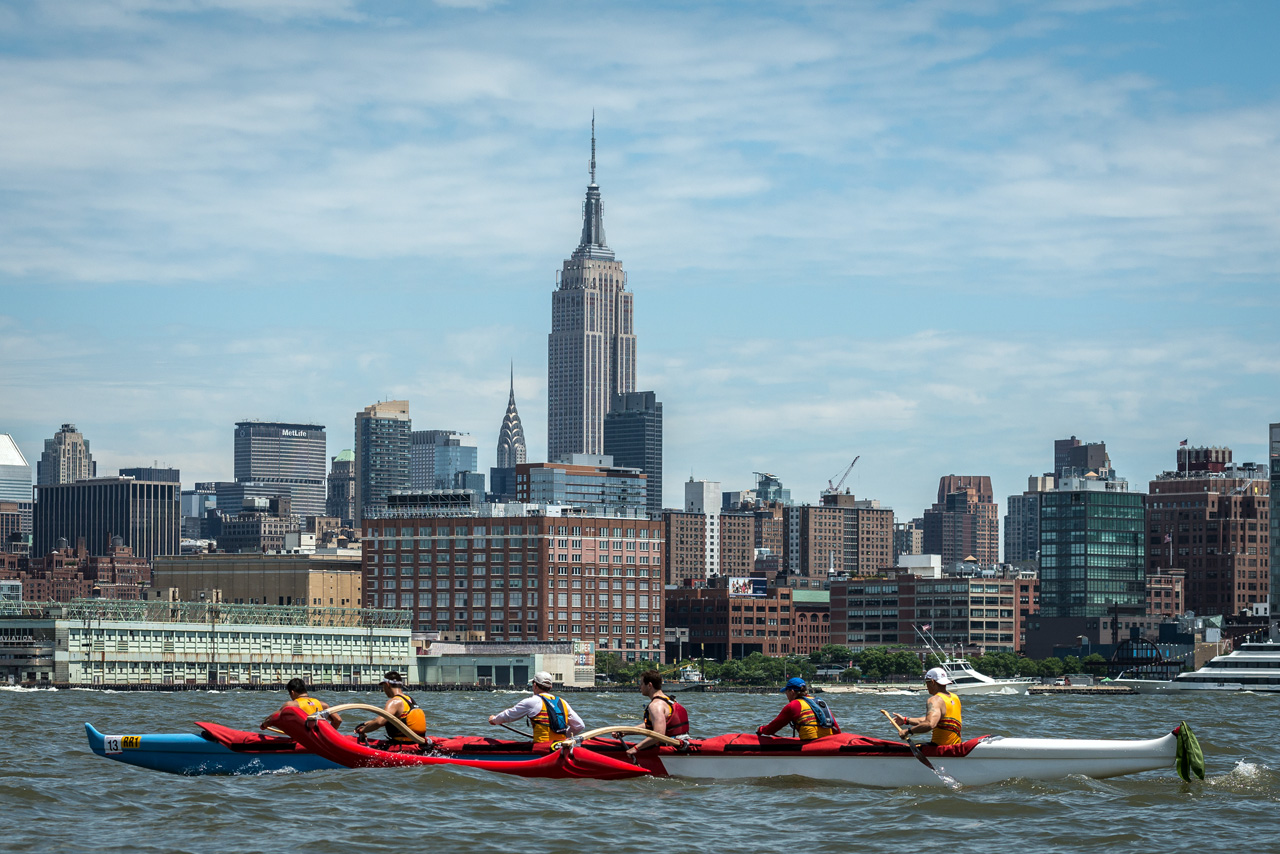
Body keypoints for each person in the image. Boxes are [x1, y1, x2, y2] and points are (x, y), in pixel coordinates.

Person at [488, 670, 586, 744]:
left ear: (535, 685)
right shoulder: (562, 702)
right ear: (550, 687)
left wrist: (494, 720)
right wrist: (565, 737)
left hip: (542, 747)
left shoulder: (532, 701)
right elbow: (579, 725)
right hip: (560, 745)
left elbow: (508, 715)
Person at [625, 670, 690, 759]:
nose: (640, 687)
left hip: (673, 748)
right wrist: (625, 731)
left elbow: (658, 734)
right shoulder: (668, 700)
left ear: (649, 685)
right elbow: (656, 724)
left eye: (641, 684)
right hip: (683, 742)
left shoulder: (656, 705)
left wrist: (636, 748)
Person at [891, 666, 961, 746]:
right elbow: (934, 718)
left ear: (932, 682)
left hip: (940, 748)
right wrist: (905, 720)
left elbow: (930, 724)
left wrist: (907, 731)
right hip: (955, 745)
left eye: (926, 683)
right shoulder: (955, 697)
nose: (926, 686)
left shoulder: (935, 700)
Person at [354, 671, 427, 744]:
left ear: (387, 685)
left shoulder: (394, 702)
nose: (383, 689)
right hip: (419, 744)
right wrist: (365, 724)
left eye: (383, 686)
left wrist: (362, 731)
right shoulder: (409, 700)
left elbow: (380, 722)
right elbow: (395, 720)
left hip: (403, 746)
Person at [756, 676, 840, 740]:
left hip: (809, 745)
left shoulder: (793, 705)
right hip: (827, 743)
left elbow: (772, 728)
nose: (786, 695)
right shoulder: (820, 703)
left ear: (792, 692)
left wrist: (761, 729)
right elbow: (836, 730)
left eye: (786, 692)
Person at [261, 677, 343, 730]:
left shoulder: (291, 705)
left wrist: (263, 725)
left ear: (292, 692)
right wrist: (327, 735)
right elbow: (338, 720)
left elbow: (272, 718)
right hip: (319, 740)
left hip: (303, 740)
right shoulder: (322, 704)